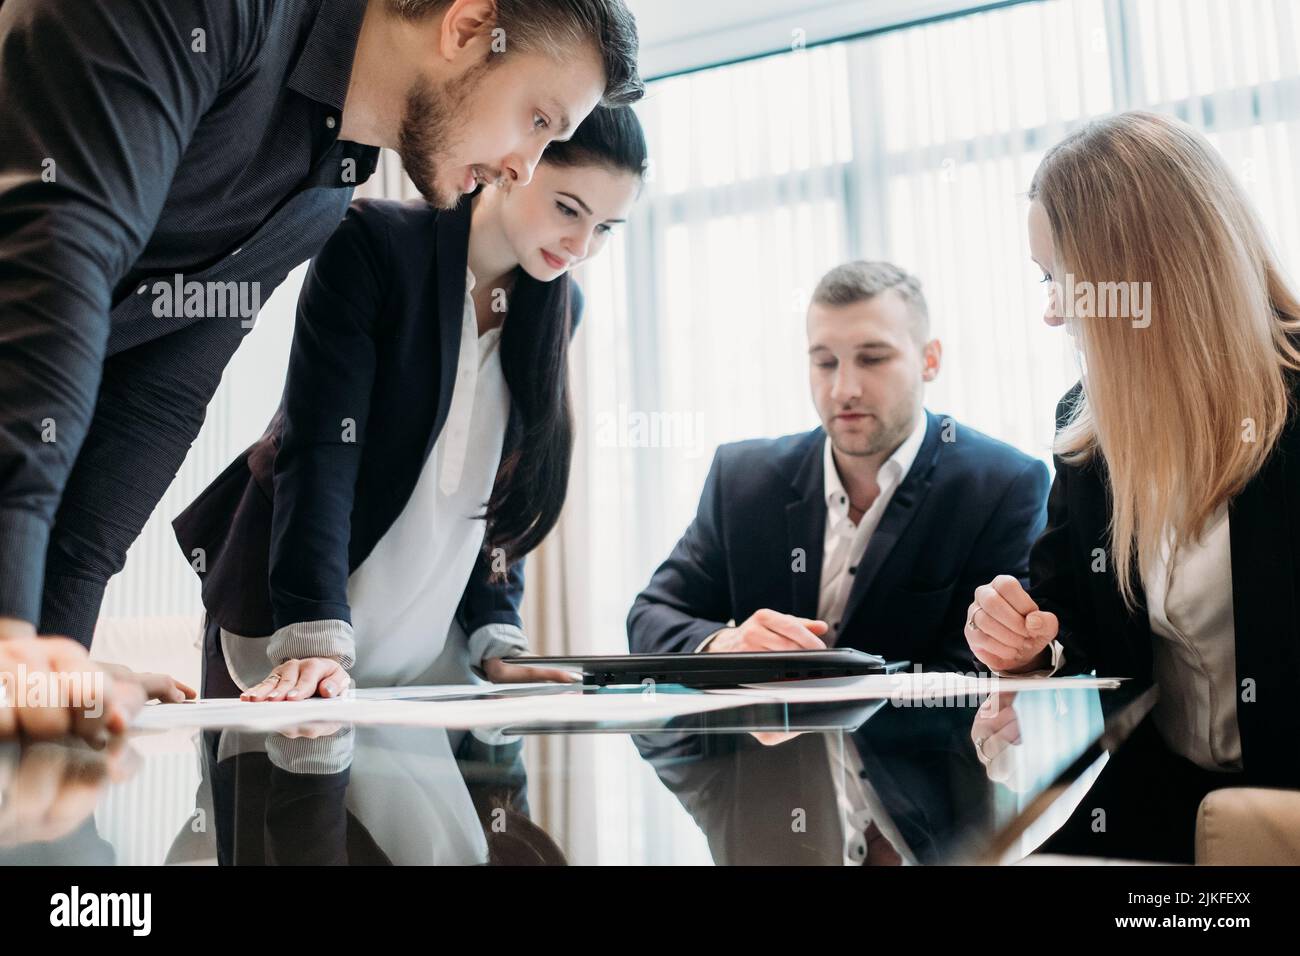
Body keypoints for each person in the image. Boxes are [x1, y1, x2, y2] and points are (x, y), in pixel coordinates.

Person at [0, 0, 642, 736]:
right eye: (539, 120)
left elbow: (156, 399)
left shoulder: (323, 193)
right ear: (466, 26)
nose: (522, 166)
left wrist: (57, 651)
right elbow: (55, 263)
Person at [175, 107, 648, 699]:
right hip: (292, 619)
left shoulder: (560, 309)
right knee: (279, 783)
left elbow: (502, 490)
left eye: (607, 228)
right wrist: (313, 634)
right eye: (568, 209)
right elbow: (320, 449)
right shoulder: (374, 245)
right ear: (513, 167)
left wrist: (499, 639)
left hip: (426, 644)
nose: (581, 246)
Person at [963, 110, 1300, 861]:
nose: (1050, 312)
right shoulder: (1087, 429)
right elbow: (1066, 613)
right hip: (1151, 803)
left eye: (1062, 280)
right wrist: (1024, 641)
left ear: (1143, 275)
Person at [628, 261, 1049, 671]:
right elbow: (652, 615)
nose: (843, 389)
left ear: (930, 360)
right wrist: (727, 644)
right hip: (767, 740)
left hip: (926, 739)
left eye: (873, 359)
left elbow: (995, 659)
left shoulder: (1003, 485)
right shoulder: (741, 479)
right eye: (825, 362)